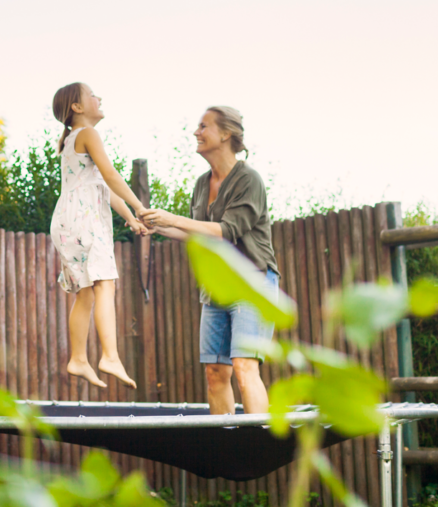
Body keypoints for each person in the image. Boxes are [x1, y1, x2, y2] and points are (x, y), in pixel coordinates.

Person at [140, 106, 279, 414]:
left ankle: (258, 446)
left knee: (244, 366)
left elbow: (226, 231)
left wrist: (172, 218)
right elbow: (200, 236)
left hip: (251, 282)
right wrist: (156, 226)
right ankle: (228, 450)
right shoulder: (202, 184)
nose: (196, 132)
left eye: (203, 126)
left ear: (226, 133)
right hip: (215, 288)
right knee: (215, 373)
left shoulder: (248, 179)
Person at [50, 82, 148, 389]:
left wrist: (131, 219)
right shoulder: (89, 134)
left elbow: (102, 188)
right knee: (106, 284)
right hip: (84, 218)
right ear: (77, 107)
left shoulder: (71, 140)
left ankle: (78, 358)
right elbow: (111, 176)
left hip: (68, 219)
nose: (99, 97)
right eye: (92, 94)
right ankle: (110, 356)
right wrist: (140, 206)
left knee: (87, 292)